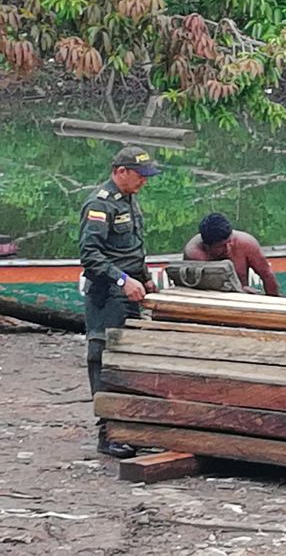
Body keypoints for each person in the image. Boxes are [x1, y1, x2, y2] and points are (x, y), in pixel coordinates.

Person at [78, 146, 163, 458]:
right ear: (120, 172)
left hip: (130, 292)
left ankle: (130, 428)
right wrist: (122, 280)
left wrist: (145, 277)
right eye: (139, 175)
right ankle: (108, 433)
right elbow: (90, 255)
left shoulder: (129, 199)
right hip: (107, 295)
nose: (144, 181)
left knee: (129, 360)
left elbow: (132, 248)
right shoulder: (100, 205)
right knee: (104, 359)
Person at [182, 212, 281, 296]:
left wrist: (274, 303)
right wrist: (240, 291)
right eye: (221, 246)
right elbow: (198, 290)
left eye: (230, 241)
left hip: (243, 301)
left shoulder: (246, 243)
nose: (228, 247)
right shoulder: (194, 254)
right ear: (207, 247)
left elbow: (267, 276)